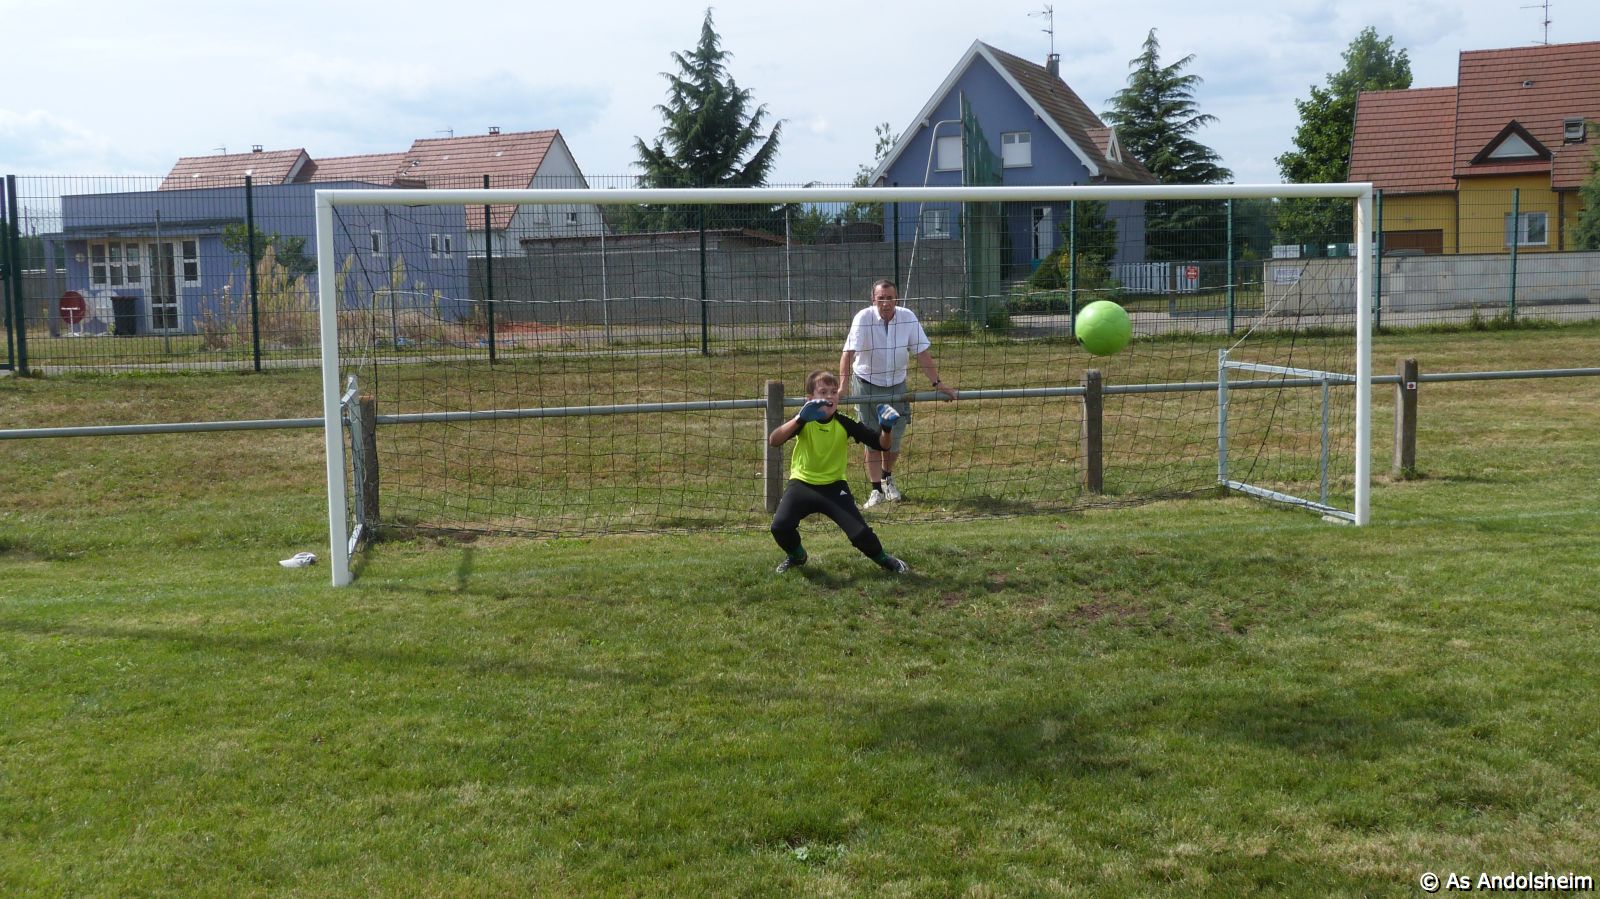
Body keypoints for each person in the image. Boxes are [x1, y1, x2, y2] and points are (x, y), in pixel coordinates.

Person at [768, 370, 910, 575]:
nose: (829, 396)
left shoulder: (844, 422)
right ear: (810, 398)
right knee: (779, 527)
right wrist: (799, 418)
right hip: (802, 484)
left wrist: (886, 429)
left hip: (834, 487)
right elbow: (774, 440)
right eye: (823, 392)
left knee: (860, 533)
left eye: (833, 392)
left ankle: (885, 559)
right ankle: (797, 556)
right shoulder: (804, 420)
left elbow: (882, 445)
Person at [838, 278, 958, 508]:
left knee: (893, 438)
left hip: (897, 385)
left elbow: (922, 353)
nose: (885, 303)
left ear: (897, 299)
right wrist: (843, 386)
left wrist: (938, 383)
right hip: (866, 383)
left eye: (890, 298)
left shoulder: (907, 317)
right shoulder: (862, 318)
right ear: (873, 300)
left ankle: (887, 478)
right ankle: (876, 490)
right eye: (881, 298)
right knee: (871, 438)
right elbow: (848, 353)